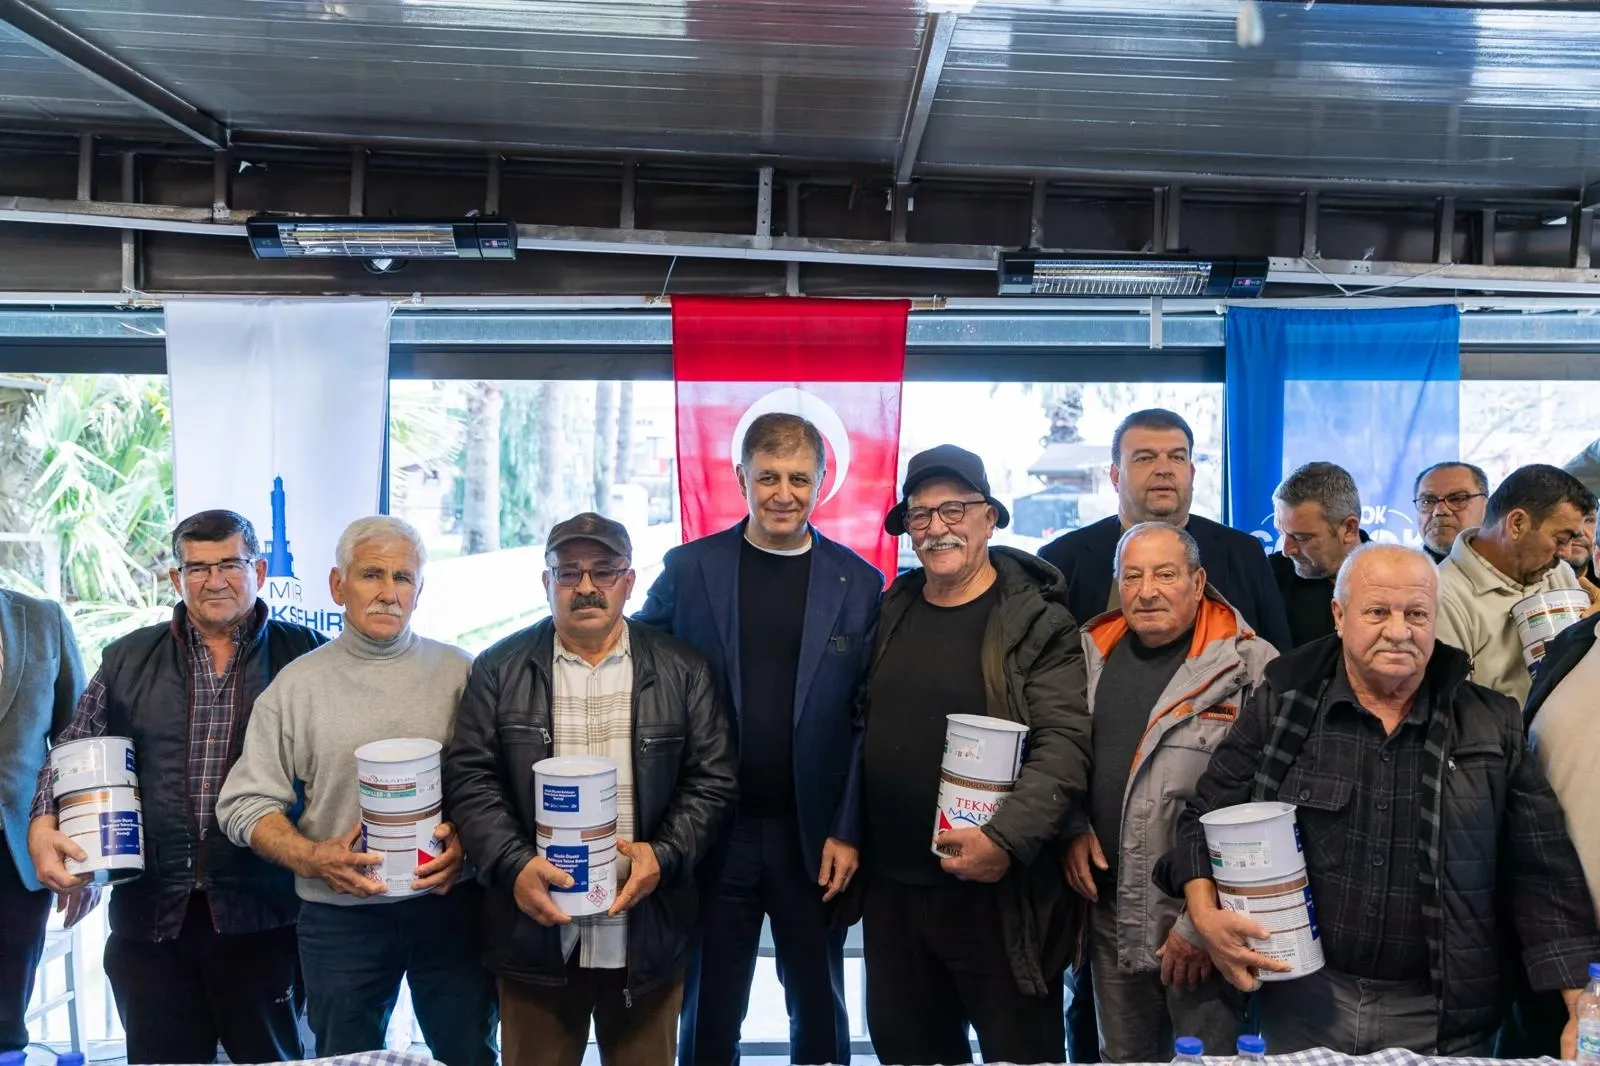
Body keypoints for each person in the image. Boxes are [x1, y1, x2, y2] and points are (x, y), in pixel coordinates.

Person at [1156, 544, 1600, 1056]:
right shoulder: (1284, 705)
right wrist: (1202, 914)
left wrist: (1581, 1006)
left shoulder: (1491, 722)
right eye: (1377, 612)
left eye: (1417, 615)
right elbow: (1204, 817)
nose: (1398, 631)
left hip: (1442, 1016)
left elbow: (1542, 872)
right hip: (1302, 1002)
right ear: (1339, 615)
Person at [27, 510, 325, 1065]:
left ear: (260, 570)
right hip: (151, 917)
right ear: (175, 578)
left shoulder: (308, 655)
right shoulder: (127, 658)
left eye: (230, 564)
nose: (215, 580)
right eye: (198, 568)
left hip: (268, 915)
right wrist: (44, 824)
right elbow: (73, 748)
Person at [443, 512, 737, 1066]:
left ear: (629, 581)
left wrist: (664, 855)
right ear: (546, 581)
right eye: (568, 572)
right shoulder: (499, 669)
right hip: (535, 936)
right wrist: (513, 865)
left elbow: (713, 779)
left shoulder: (684, 670)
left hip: (644, 934)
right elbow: (471, 778)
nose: (586, 586)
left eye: (603, 571)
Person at [634, 413, 879, 1066]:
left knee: (819, 1007)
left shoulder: (859, 584)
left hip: (814, 835)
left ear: (822, 483)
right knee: (709, 1010)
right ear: (741, 478)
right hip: (716, 832)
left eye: (799, 478)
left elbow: (866, 722)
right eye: (768, 477)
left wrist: (848, 829)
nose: (783, 494)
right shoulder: (691, 569)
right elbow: (634, 659)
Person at [217, 516, 496, 1066]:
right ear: (337, 585)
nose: (389, 592)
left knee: (468, 1052)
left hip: (450, 906)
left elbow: (495, 784)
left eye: (403, 578)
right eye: (372, 575)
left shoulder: (463, 673)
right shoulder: (296, 687)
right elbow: (244, 803)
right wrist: (313, 858)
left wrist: (468, 847)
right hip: (340, 917)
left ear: (419, 590)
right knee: (344, 1057)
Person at [862, 445, 1091, 1066]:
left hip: (998, 896)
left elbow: (1064, 744)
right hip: (894, 895)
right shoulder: (890, 610)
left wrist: (1005, 841)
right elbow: (856, 725)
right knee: (905, 1051)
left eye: (954, 510)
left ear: (990, 518)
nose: (936, 527)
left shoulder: (1038, 623)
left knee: (1020, 1053)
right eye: (920, 514)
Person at [1065, 522, 1271, 1062]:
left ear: (1198, 582)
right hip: (1109, 914)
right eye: (1132, 576)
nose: (1147, 591)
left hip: (1205, 923)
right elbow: (1060, 756)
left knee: (1209, 1059)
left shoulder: (1249, 666)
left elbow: (1265, 810)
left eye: (1165, 574)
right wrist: (1072, 824)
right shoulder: (1088, 652)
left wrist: (1201, 924)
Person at [1040, 409, 1290, 654]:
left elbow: (1279, 665)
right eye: (1144, 458)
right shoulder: (1060, 559)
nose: (1164, 469)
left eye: (1177, 457)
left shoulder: (1243, 553)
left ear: (1191, 474)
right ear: (1115, 477)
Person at [0, 589, 85, 1054]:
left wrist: (85, 853)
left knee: (5, 1024)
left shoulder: (42, 619)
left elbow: (77, 741)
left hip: (16, 852)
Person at [1435, 463, 1595, 704]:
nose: (1565, 553)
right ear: (1517, 524)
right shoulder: (1442, 595)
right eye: (1560, 539)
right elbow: (1452, 711)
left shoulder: (1558, 572)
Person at [1268, 462, 1366, 648]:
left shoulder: (1398, 579)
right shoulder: (1267, 577)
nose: (1287, 550)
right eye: (1281, 533)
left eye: (1301, 537)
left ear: (1349, 529)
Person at [1413, 461, 1489, 564]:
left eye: (1457, 499)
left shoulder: (1508, 568)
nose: (1439, 511)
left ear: (1486, 505)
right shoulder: (1400, 572)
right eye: (1427, 502)